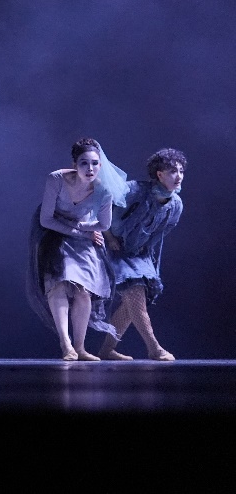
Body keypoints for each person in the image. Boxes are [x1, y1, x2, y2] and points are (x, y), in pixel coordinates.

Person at [27, 137, 128, 361]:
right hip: (53, 234)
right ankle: (66, 344)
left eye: (94, 163)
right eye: (84, 163)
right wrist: (80, 231)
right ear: (75, 164)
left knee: (83, 291)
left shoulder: (103, 190)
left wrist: (83, 228)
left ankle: (80, 348)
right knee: (59, 284)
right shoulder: (56, 179)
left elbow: (104, 225)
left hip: (83, 238)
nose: (90, 168)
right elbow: (46, 219)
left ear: (100, 165)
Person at [98, 148, 186, 361]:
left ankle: (107, 349)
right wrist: (109, 238)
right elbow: (102, 208)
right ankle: (154, 348)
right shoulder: (134, 190)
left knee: (132, 305)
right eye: (173, 171)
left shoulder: (175, 205)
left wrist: (147, 255)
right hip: (115, 250)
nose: (179, 176)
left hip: (139, 255)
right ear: (160, 174)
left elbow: (160, 234)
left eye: (181, 171)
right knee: (135, 294)